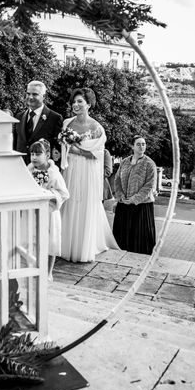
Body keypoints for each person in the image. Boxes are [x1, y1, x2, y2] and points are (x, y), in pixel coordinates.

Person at [59, 88, 119, 263]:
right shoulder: (66, 123)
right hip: (70, 170)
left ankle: (82, 247)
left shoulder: (96, 127)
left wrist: (77, 150)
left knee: (84, 204)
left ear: (89, 104)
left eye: (80, 102)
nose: (76, 105)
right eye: (74, 102)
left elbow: (98, 155)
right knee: (69, 202)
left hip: (87, 171)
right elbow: (63, 145)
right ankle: (65, 245)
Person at [27, 139, 69, 280]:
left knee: (52, 241)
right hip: (33, 212)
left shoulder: (54, 174)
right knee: (34, 240)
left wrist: (49, 195)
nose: (34, 157)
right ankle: (36, 268)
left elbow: (64, 193)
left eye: (38, 154)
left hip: (50, 212)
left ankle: (48, 272)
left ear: (47, 155)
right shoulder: (28, 172)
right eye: (32, 154)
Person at [112, 135, 157, 255]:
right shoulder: (124, 162)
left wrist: (134, 199)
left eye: (143, 144)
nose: (142, 146)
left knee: (140, 239)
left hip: (141, 206)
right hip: (124, 204)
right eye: (138, 144)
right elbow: (117, 180)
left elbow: (149, 186)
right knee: (122, 237)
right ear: (132, 146)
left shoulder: (149, 164)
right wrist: (120, 196)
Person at [14, 80, 63, 165]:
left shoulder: (54, 118)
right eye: (28, 93)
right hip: (20, 166)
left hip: (41, 170)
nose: (30, 97)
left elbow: (57, 149)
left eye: (35, 94)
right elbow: (14, 143)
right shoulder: (19, 116)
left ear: (44, 96)